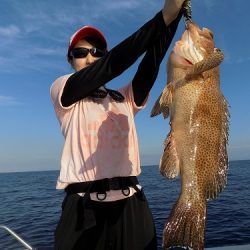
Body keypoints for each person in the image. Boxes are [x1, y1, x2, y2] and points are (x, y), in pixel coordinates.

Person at [50, 0, 186, 249]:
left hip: (132, 205)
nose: (90, 58)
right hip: (84, 206)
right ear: (70, 60)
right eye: (81, 53)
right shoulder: (64, 90)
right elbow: (112, 65)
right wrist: (163, 16)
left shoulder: (123, 98)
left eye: (97, 52)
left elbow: (151, 63)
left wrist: (175, 15)